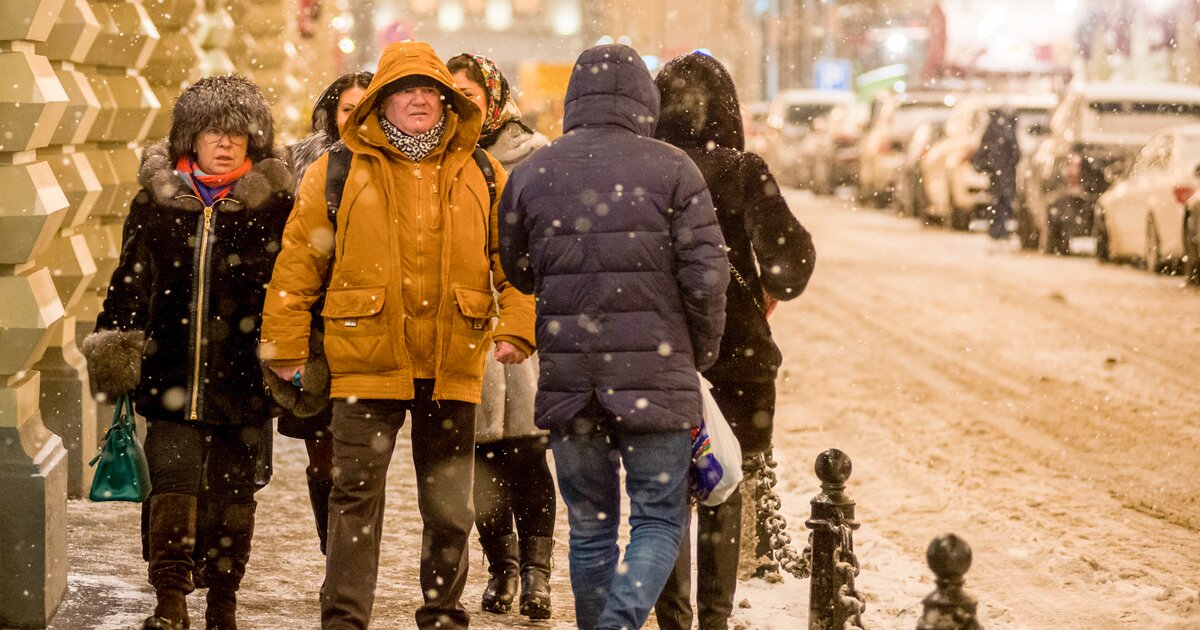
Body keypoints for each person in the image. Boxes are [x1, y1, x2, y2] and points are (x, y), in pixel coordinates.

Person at [259, 41, 536, 630]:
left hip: (452, 358)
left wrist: (516, 327)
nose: (418, 98)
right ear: (380, 102)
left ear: (446, 102)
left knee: (449, 504)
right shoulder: (336, 170)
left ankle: (441, 612)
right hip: (365, 357)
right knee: (355, 498)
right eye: (403, 89)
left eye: (429, 89)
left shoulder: (483, 172)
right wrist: (282, 347)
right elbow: (297, 266)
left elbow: (514, 262)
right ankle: (345, 619)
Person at [498, 44, 730, 630]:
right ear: (644, 100)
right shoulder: (674, 168)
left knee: (590, 526)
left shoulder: (533, 173)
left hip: (571, 379)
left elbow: (516, 267)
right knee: (657, 519)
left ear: (576, 98)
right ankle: (618, 624)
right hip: (655, 376)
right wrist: (698, 351)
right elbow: (707, 276)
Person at [81, 74, 295, 630]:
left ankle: (223, 604)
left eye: (236, 133)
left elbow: (294, 290)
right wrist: (117, 353)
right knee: (171, 488)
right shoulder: (155, 203)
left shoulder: (276, 206)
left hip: (242, 380)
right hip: (167, 372)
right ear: (189, 139)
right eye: (211, 132)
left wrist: (293, 356)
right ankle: (170, 600)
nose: (224, 143)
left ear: (254, 141)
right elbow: (128, 283)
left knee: (232, 498)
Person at [650, 52, 817, 630]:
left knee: (662, 491)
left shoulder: (642, 171)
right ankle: (714, 617)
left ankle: (671, 617)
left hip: (658, 352)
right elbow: (792, 260)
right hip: (737, 352)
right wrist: (768, 285)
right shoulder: (743, 171)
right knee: (727, 483)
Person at [445, 52, 556, 620]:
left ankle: (537, 574)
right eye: (453, 92)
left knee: (529, 453)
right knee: (483, 459)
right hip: (465, 328)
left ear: (493, 99)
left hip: (523, 319)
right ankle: (502, 568)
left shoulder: (533, 159)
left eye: (472, 94)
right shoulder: (439, 159)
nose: (462, 104)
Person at [266, 70, 373, 557]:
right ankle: (335, 552)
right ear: (331, 113)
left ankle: (348, 556)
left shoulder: (391, 168)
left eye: (365, 108)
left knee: (359, 464)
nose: (356, 118)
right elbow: (287, 254)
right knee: (323, 458)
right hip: (316, 333)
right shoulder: (301, 167)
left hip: (368, 329)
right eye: (348, 109)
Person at [972, 109, 1021, 241]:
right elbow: (1015, 153)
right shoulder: (1006, 131)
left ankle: (997, 228)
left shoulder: (994, 131)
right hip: (1003, 172)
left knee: (998, 200)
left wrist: (990, 166)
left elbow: (983, 151)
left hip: (998, 172)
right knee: (1002, 201)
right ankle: (998, 228)